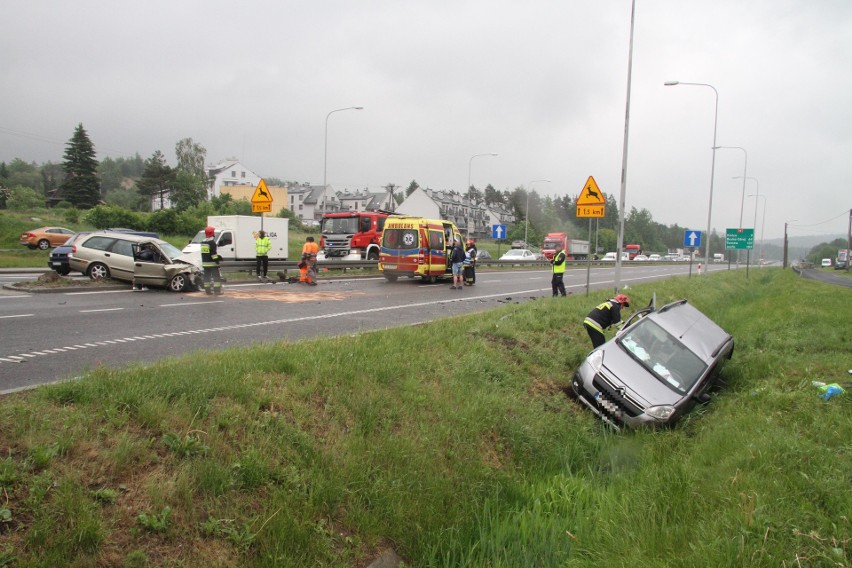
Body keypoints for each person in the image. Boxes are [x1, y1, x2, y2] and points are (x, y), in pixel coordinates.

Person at [200, 226, 224, 295]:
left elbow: (206, 253)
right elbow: (213, 255)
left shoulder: (203, 242)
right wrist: (218, 259)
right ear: (212, 233)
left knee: (207, 278)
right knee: (216, 278)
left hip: (205, 264)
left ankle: (208, 291)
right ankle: (217, 291)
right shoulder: (212, 243)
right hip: (212, 264)